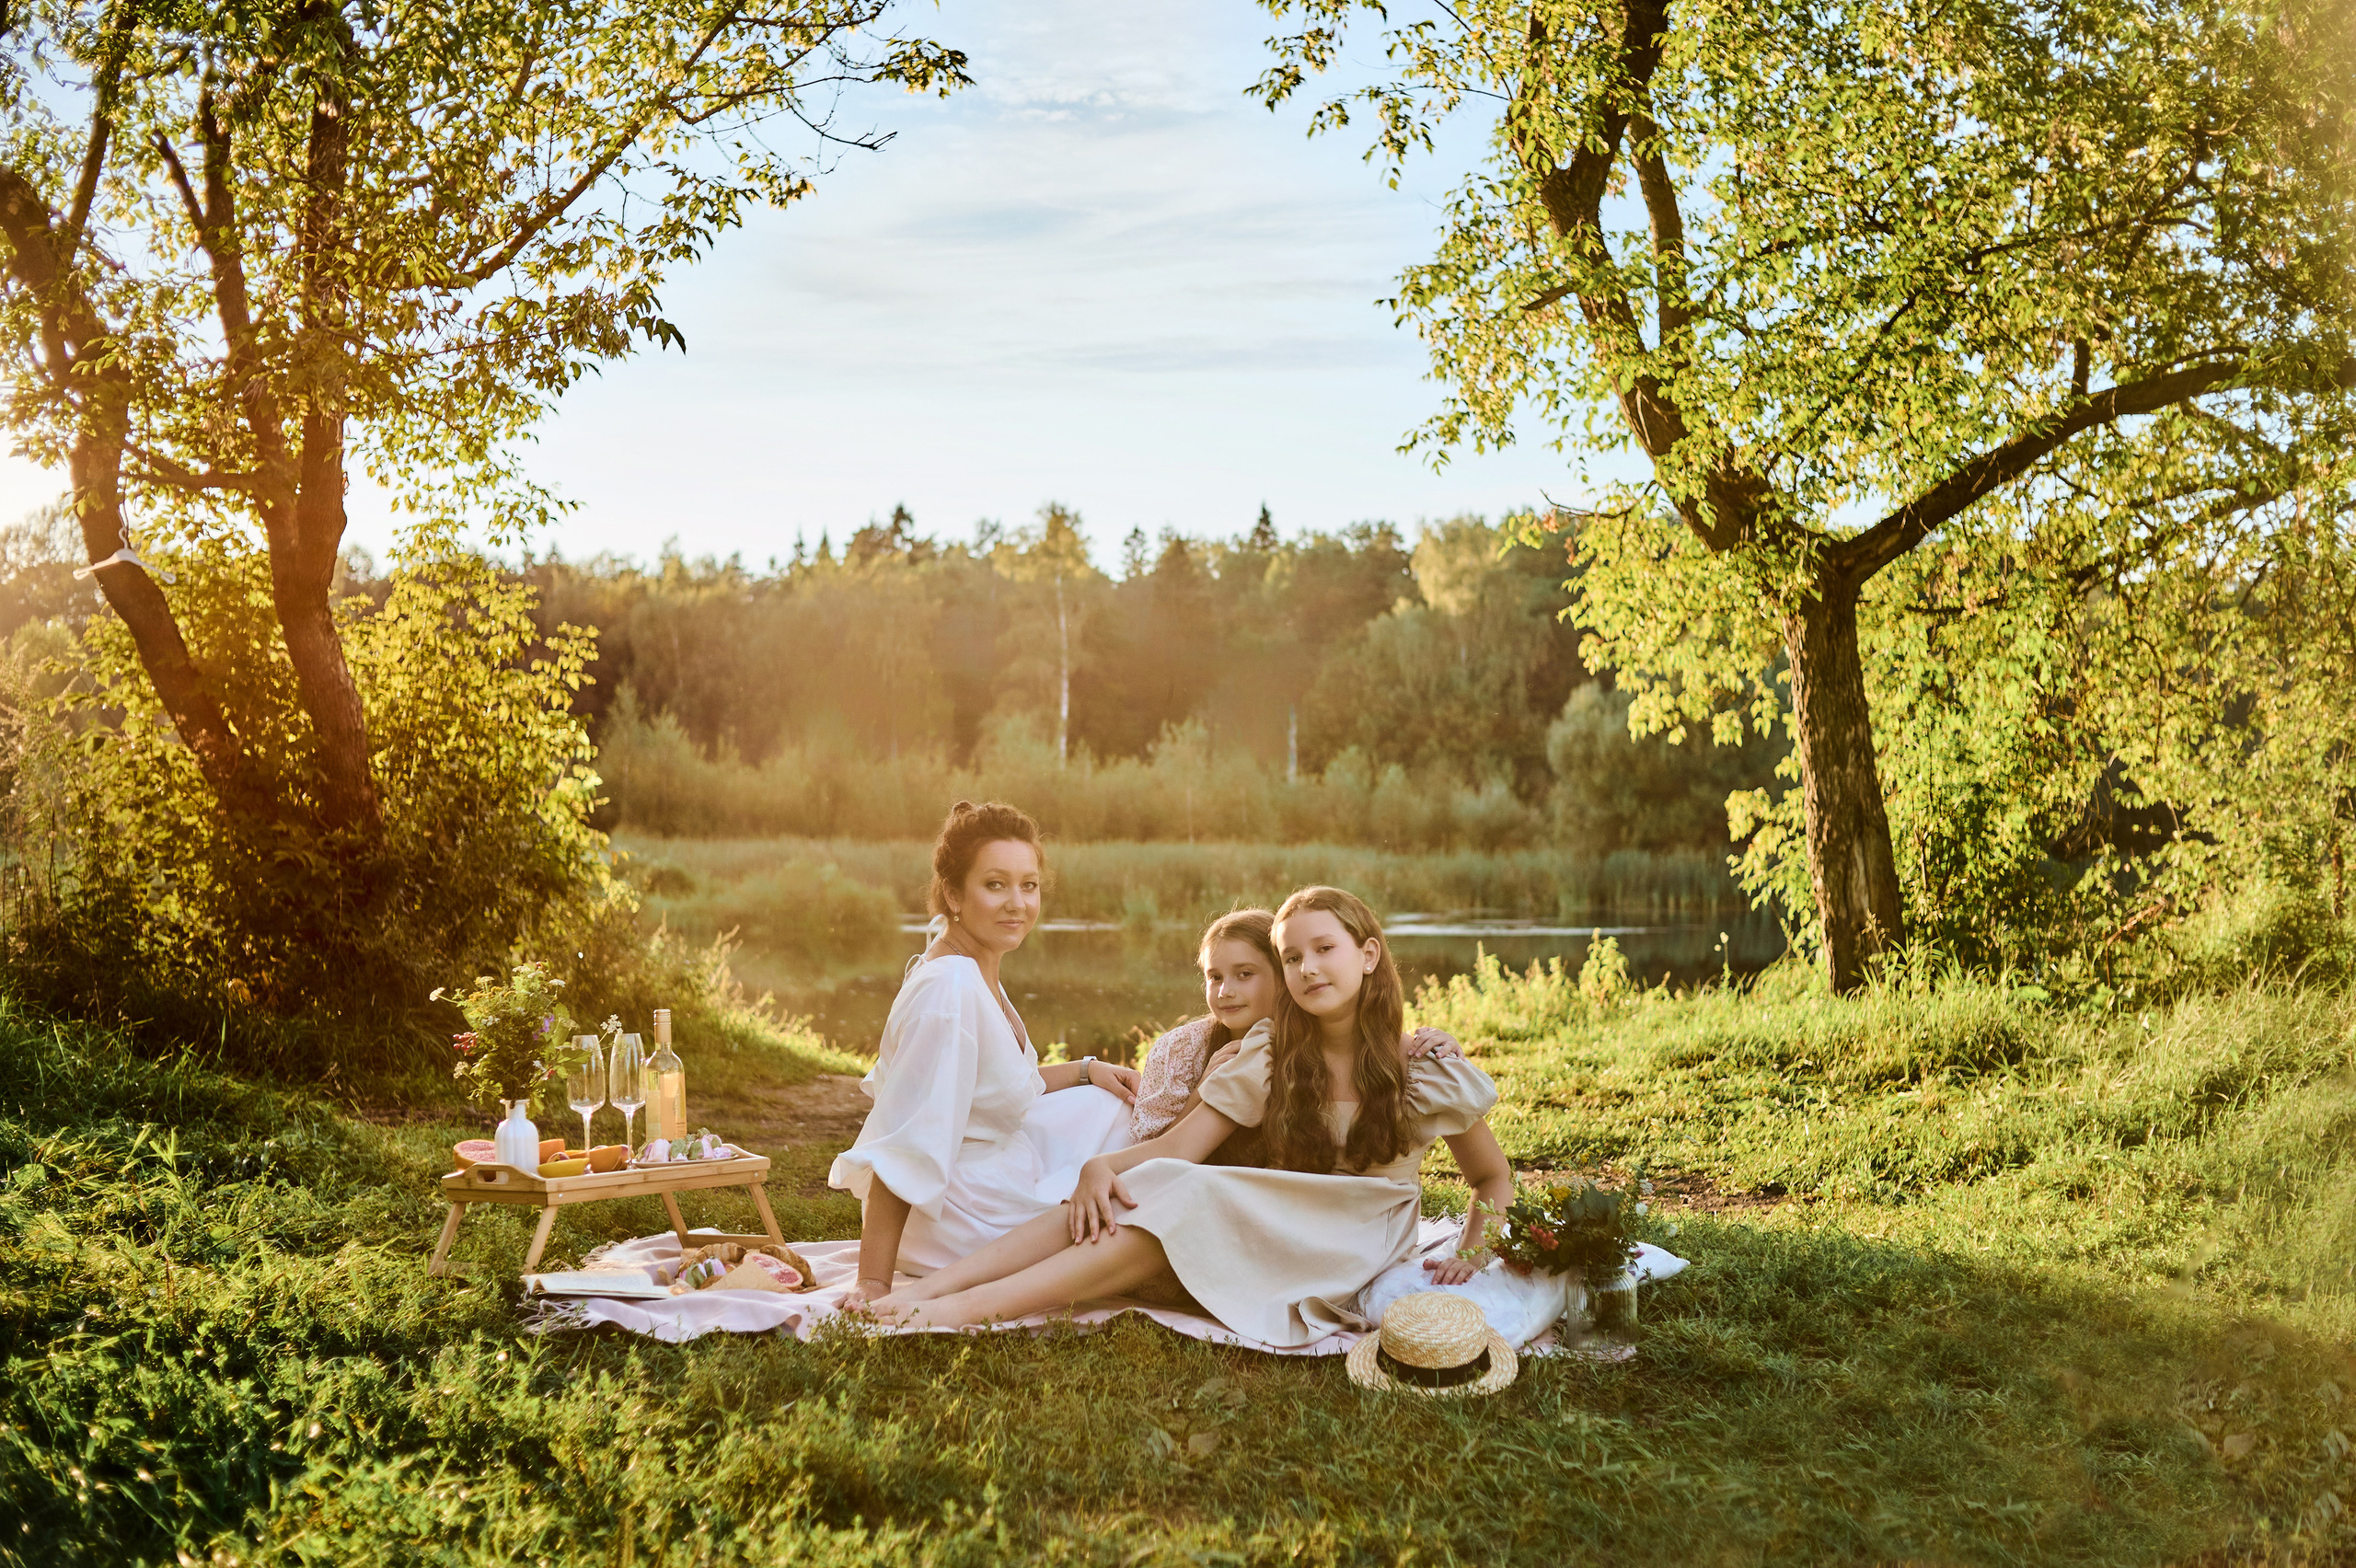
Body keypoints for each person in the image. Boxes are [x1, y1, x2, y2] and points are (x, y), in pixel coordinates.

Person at [871, 885, 1515, 1346]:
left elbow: (1491, 1177)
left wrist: (1474, 1248)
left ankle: (960, 1311)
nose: (1308, 968)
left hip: (1356, 1239)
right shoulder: (1272, 1054)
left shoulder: (1425, 1068)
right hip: (1281, 1214)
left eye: (1325, 949)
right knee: (1156, 1182)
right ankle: (933, 1290)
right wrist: (1102, 1165)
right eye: (1292, 957)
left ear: (1368, 955)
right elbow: (1180, 1146)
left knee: (1187, 1198)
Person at [829, 801, 1140, 1309]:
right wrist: (874, 1283)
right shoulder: (949, 989)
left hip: (995, 1160)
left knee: (1113, 1107)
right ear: (954, 893)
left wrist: (1087, 1070)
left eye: (1029, 885)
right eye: (995, 885)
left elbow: (994, 1079)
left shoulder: (971, 961)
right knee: (1132, 1200)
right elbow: (905, 1137)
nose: (1017, 902)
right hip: (958, 1211)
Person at [1129, 906, 1469, 1147]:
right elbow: (1151, 1152)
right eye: (1214, 977)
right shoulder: (1183, 1049)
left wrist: (1440, 1045)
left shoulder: (1309, 1036)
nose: (1225, 991)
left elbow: (1372, 1040)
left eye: (1244, 974)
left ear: (1283, 976)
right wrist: (1203, 1091)